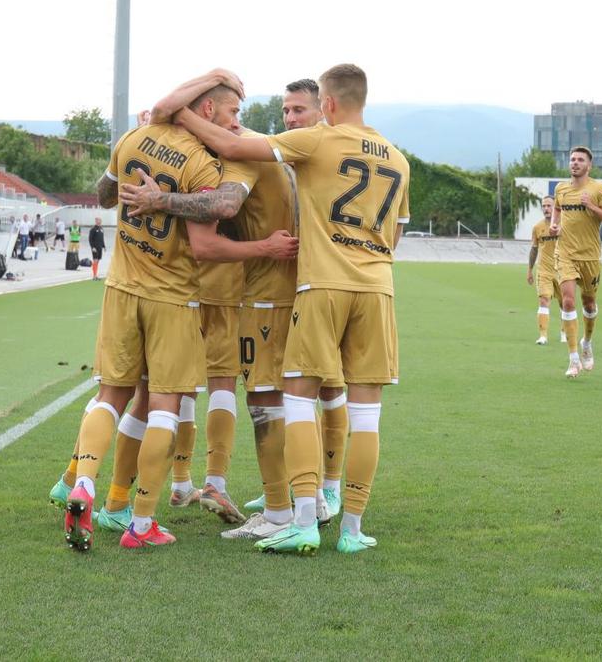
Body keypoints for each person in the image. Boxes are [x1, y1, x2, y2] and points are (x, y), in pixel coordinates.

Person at [150, 63, 409, 556]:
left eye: (297, 110)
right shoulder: (397, 156)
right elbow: (395, 234)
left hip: (304, 289)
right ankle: (350, 526)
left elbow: (227, 166)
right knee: (364, 412)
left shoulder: (311, 145)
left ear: (325, 106)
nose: (289, 118)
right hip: (378, 288)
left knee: (281, 399)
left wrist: (179, 114)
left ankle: (286, 515)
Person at [60, 71, 292, 551]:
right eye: (232, 112)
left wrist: (148, 194)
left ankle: (84, 482)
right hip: (174, 298)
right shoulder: (206, 168)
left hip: (122, 288)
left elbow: (105, 195)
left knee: (112, 395)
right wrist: (264, 246)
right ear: (207, 110)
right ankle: (142, 521)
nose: (236, 124)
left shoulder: (133, 137)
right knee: (167, 403)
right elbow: (215, 225)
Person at [550, 146, 602, 377]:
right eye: (572, 159)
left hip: (590, 257)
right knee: (568, 302)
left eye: (580, 160)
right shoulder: (561, 188)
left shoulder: (599, 189)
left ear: (589, 165)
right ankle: (572, 360)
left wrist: (591, 206)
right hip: (565, 254)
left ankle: (587, 343)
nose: (575, 163)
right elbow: (558, 208)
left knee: (589, 304)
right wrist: (554, 223)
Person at [527, 196, 561, 345]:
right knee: (544, 300)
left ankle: (565, 333)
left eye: (549, 206)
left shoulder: (563, 225)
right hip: (544, 270)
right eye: (544, 206)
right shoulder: (537, 228)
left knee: (565, 303)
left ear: (555, 208)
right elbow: (534, 250)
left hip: (562, 270)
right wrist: (529, 269)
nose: (546, 209)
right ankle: (543, 336)